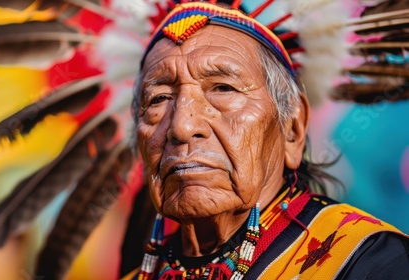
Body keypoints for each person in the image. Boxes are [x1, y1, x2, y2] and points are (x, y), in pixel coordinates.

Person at [128, 1, 409, 279]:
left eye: (224, 88)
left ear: (292, 128)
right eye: (158, 99)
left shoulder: (370, 261)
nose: (182, 126)